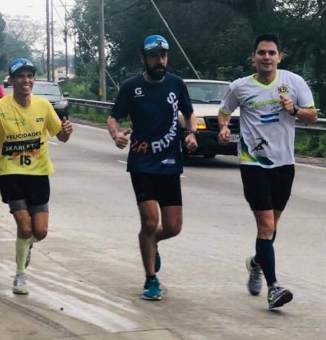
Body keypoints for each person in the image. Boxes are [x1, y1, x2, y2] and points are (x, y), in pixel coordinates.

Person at [217, 33, 318, 310]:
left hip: (284, 163)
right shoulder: (240, 87)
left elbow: (313, 115)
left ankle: (256, 262)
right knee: (266, 226)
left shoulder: (293, 82)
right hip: (253, 162)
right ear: (253, 57)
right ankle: (274, 288)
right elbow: (224, 111)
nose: (266, 57)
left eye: (271, 53)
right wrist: (224, 127)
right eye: (261, 53)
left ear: (279, 57)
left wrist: (294, 109)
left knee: (272, 227)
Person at [107, 35, 198, 301]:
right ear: (144, 59)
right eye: (154, 56)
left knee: (173, 227)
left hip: (170, 163)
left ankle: (152, 241)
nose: (160, 60)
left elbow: (189, 112)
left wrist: (191, 133)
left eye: (163, 55)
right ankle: (151, 279)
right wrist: (116, 135)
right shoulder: (131, 87)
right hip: (142, 162)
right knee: (150, 221)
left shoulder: (176, 84)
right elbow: (114, 117)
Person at [0, 58, 73, 295]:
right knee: (25, 227)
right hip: (11, 173)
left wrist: (66, 132)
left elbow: (61, 136)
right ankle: (20, 274)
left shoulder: (43, 106)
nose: (25, 81)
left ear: (33, 80)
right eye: (20, 76)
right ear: (11, 80)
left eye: (29, 76)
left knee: (40, 232)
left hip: (38, 174)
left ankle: (25, 247)